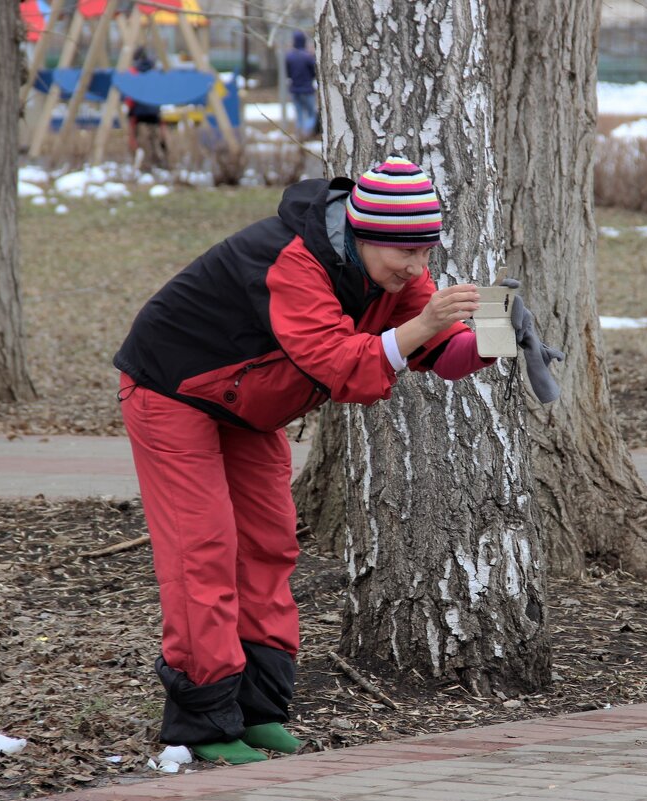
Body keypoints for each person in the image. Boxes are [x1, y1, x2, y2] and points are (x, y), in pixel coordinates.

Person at [113, 155, 561, 764]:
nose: (417, 267)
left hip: (247, 406)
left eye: (427, 252)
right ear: (362, 233)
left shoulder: (399, 281)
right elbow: (341, 366)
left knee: (269, 546)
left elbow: (437, 353)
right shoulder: (296, 262)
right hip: (172, 390)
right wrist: (425, 322)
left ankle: (257, 710)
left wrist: (494, 334)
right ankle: (205, 724)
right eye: (405, 252)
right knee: (203, 552)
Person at [125, 47, 167, 172]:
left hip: (138, 112)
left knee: (141, 142)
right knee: (155, 139)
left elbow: (130, 93)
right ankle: (160, 163)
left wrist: (130, 108)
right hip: (154, 111)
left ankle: (145, 166)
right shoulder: (155, 71)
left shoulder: (133, 72)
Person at [284, 30, 317, 139]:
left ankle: (299, 133)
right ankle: (307, 133)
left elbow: (288, 73)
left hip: (294, 90)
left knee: (299, 114)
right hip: (307, 90)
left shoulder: (289, 56)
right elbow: (314, 72)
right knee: (311, 114)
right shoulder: (308, 57)